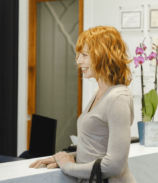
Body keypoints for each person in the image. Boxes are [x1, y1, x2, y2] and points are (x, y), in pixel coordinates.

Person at [29, 26, 136, 182]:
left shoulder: (118, 98)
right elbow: (95, 151)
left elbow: (114, 165)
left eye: (84, 55)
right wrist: (63, 158)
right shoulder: (98, 93)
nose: (78, 61)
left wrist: (68, 167)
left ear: (103, 56)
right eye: (78, 55)